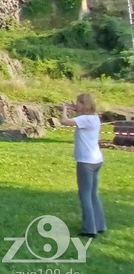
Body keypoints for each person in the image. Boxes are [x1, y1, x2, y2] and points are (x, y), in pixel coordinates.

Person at [60, 93, 106, 237]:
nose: (76, 105)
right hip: (96, 160)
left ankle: (89, 229)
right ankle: (100, 225)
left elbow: (64, 121)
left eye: (78, 103)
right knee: (93, 194)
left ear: (84, 104)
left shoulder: (84, 119)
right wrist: (72, 107)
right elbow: (80, 115)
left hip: (86, 162)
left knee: (84, 195)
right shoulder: (94, 117)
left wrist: (64, 109)